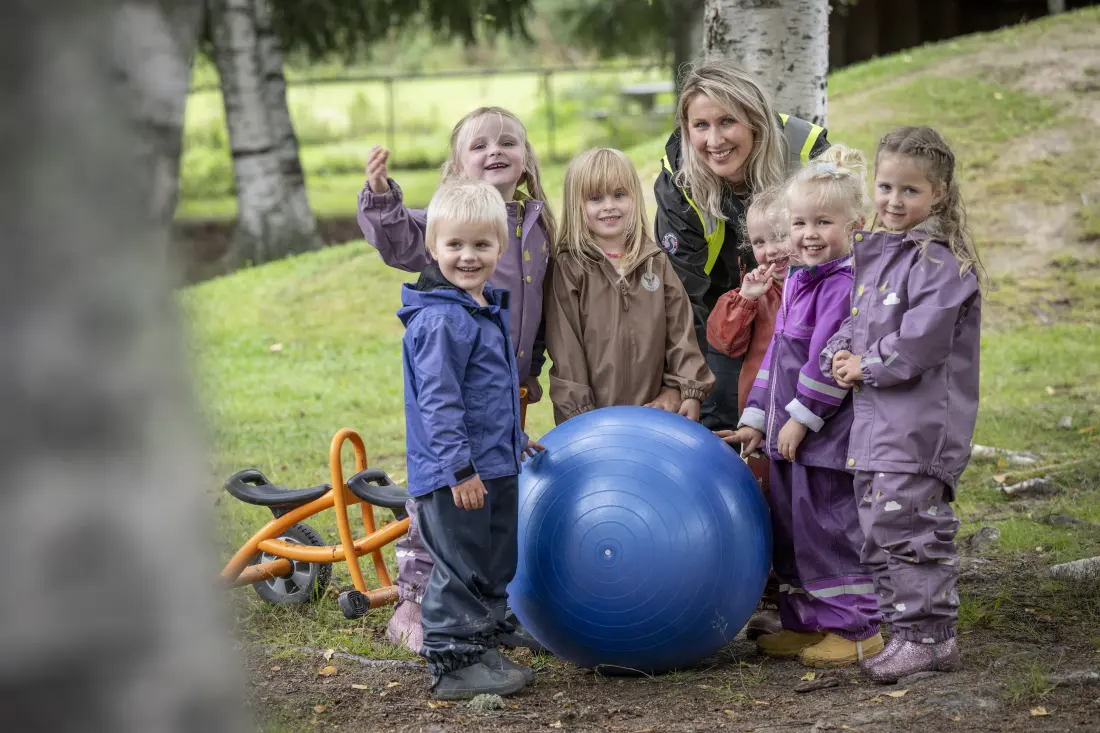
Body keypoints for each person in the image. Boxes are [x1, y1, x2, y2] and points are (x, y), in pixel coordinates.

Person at [356, 106, 555, 652]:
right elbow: (397, 239)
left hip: (504, 386)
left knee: (489, 504)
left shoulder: (536, 226)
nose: (496, 151)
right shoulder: (449, 220)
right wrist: (380, 195)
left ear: (527, 158)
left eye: (508, 142)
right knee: (446, 498)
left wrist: (531, 371)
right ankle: (417, 602)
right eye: (480, 145)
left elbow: (537, 304)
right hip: (456, 383)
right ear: (457, 165)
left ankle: (489, 609)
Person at [823, 126, 983, 682]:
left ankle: (932, 637)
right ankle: (903, 634)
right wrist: (842, 348)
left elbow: (922, 340)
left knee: (912, 531)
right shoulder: (884, 254)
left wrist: (867, 365)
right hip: (877, 432)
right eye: (886, 187)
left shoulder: (941, 264)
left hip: (917, 431)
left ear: (938, 193)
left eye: (909, 191)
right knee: (880, 531)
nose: (894, 201)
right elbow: (860, 321)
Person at [726, 145, 884, 668]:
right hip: (786, 435)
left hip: (825, 438)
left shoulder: (842, 286)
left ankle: (858, 627)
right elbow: (775, 356)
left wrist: (799, 418)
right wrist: (756, 418)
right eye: (798, 223)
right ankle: (806, 621)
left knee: (829, 529)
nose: (808, 234)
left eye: (824, 222)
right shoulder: (798, 279)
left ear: (855, 225)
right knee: (792, 529)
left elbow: (828, 361)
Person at [397, 180, 545, 699]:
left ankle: (489, 630)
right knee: (461, 564)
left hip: (493, 464)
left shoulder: (480, 309)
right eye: (454, 245)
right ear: (433, 248)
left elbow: (485, 393)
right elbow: (440, 404)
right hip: (456, 473)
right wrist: (460, 468)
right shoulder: (440, 320)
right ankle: (454, 660)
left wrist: (515, 437)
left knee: (493, 555)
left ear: (500, 248)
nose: (467, 256)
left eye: (481, 245)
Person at [655, 59, 829, 431]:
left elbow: (837, 251)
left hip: (802, 307)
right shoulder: (679, 179)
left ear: (754, 120)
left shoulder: (806, 154)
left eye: (727, 121)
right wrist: (691, 381)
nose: (714, 141)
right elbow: (684, 292)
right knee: (715, 402)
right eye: (701, 126)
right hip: (721, 308)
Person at [545, 147, 714, 425]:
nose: (609, 206)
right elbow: (566, 348)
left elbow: (680, 333)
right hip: (593, 418)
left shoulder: (655, 262)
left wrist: (684, 390)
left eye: (619, 195)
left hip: (655, 412)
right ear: (577, 205)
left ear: (634, 197)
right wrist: (579, 415)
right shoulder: (569, 268)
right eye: (596, 198)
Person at [706, 188, 794, 640]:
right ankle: (769, 600)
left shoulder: (823, 287)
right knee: (765, 507)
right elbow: (725, 342)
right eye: (760, 241)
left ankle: (810, 596)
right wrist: (745, 297)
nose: (772, 248)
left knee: (804, 509)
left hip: (808, 422)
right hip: (758, 426)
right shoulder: (757, 294)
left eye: (782, 234)